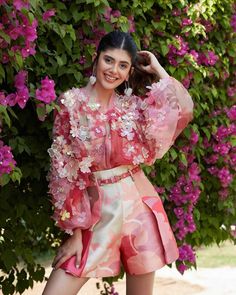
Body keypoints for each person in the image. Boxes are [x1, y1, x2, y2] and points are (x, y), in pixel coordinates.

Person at [43, 30, 194, 295]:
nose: (113, 70)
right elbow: (63, 171)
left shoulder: (133, 108)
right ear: (96, 58)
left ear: (128, 72)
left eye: (123, 65)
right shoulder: (71, 105)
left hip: (139, 208)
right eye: (109, 60)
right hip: (96, 216)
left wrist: (159, 70)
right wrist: (75, 232)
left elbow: (181, 110)